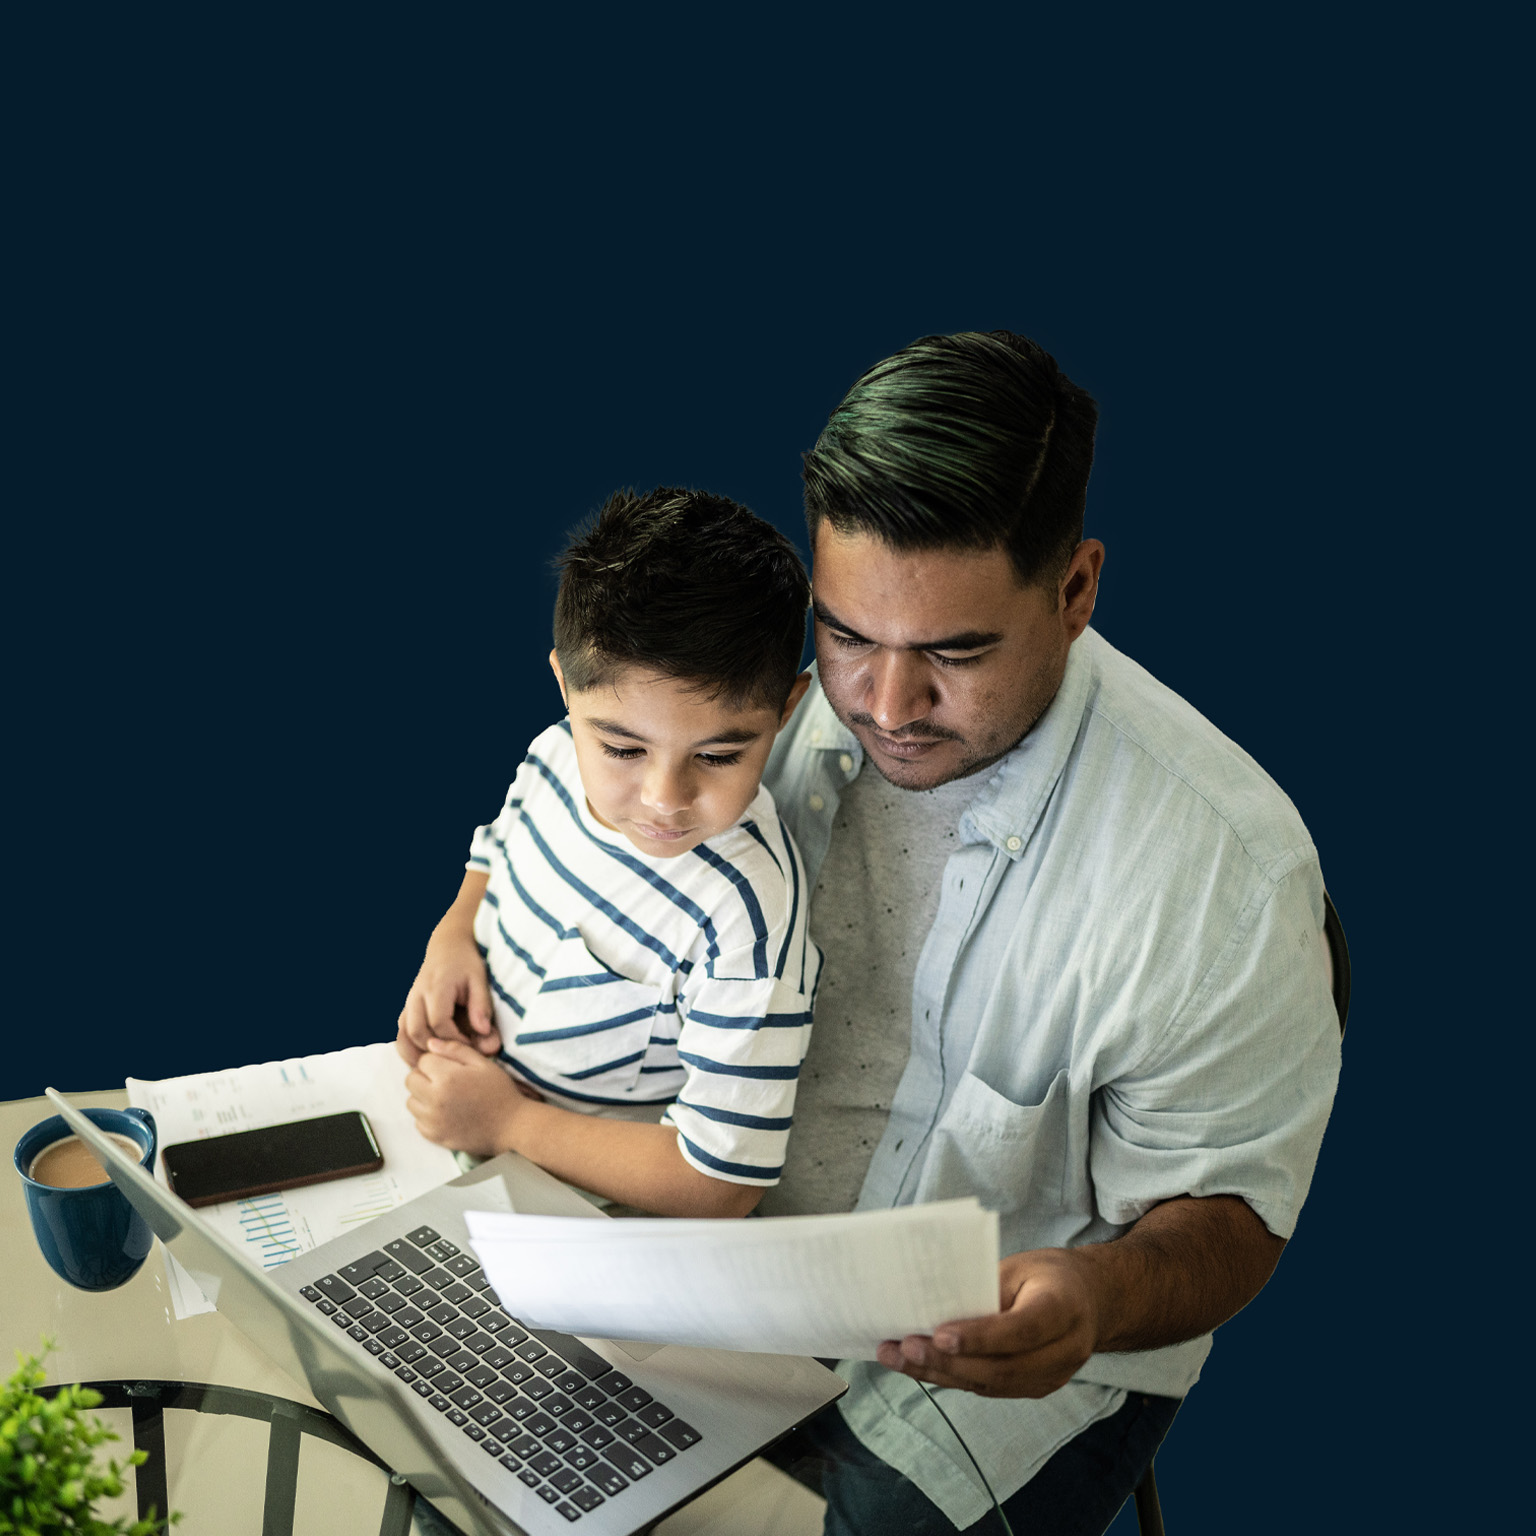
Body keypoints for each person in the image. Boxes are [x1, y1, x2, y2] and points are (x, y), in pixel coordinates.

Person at [757, 331, 1342, 1533]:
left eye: (955, 653)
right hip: (732, 1272)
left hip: (1022, 1347)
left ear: (1076, 590)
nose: (883, 704)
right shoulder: (763, 702)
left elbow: (1231, 1217)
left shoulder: (1225, 871)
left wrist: (1094, 1292)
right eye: (850, 635)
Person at [394, 487, 819, 1218]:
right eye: (622, 747)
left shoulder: (747, 915)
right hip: (457, 1134)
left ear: (787, 708)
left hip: (591, 1218)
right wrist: (453, 935)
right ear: (564, 685)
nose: (664, 797)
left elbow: (722, 1183)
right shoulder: (555, 753)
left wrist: (507, 1125)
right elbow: (493, 854)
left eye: (718, 756)